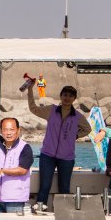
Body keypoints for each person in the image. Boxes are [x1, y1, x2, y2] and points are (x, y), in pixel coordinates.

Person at [27, 84, 91, 212]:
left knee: (64, 188)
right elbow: (33, 109)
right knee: (44, 186)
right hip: (47, 155)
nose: (67, 98)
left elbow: (88, 129)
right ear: (61, 96)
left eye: (70, 96)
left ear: (74, 98)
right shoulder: (51, 110)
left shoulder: (78, 116)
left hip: (67, 158)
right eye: (65, 95)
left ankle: (64, 213)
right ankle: (40, 211)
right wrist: (30, 89)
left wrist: (76, 135)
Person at [0, 117, 34, 213]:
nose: (8, 133)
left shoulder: (25, 147)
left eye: (11, 129)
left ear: (18, 130)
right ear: (1, 131)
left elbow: (23, 170)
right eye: (5, 130)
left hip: (15, 200)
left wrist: (1, 171)